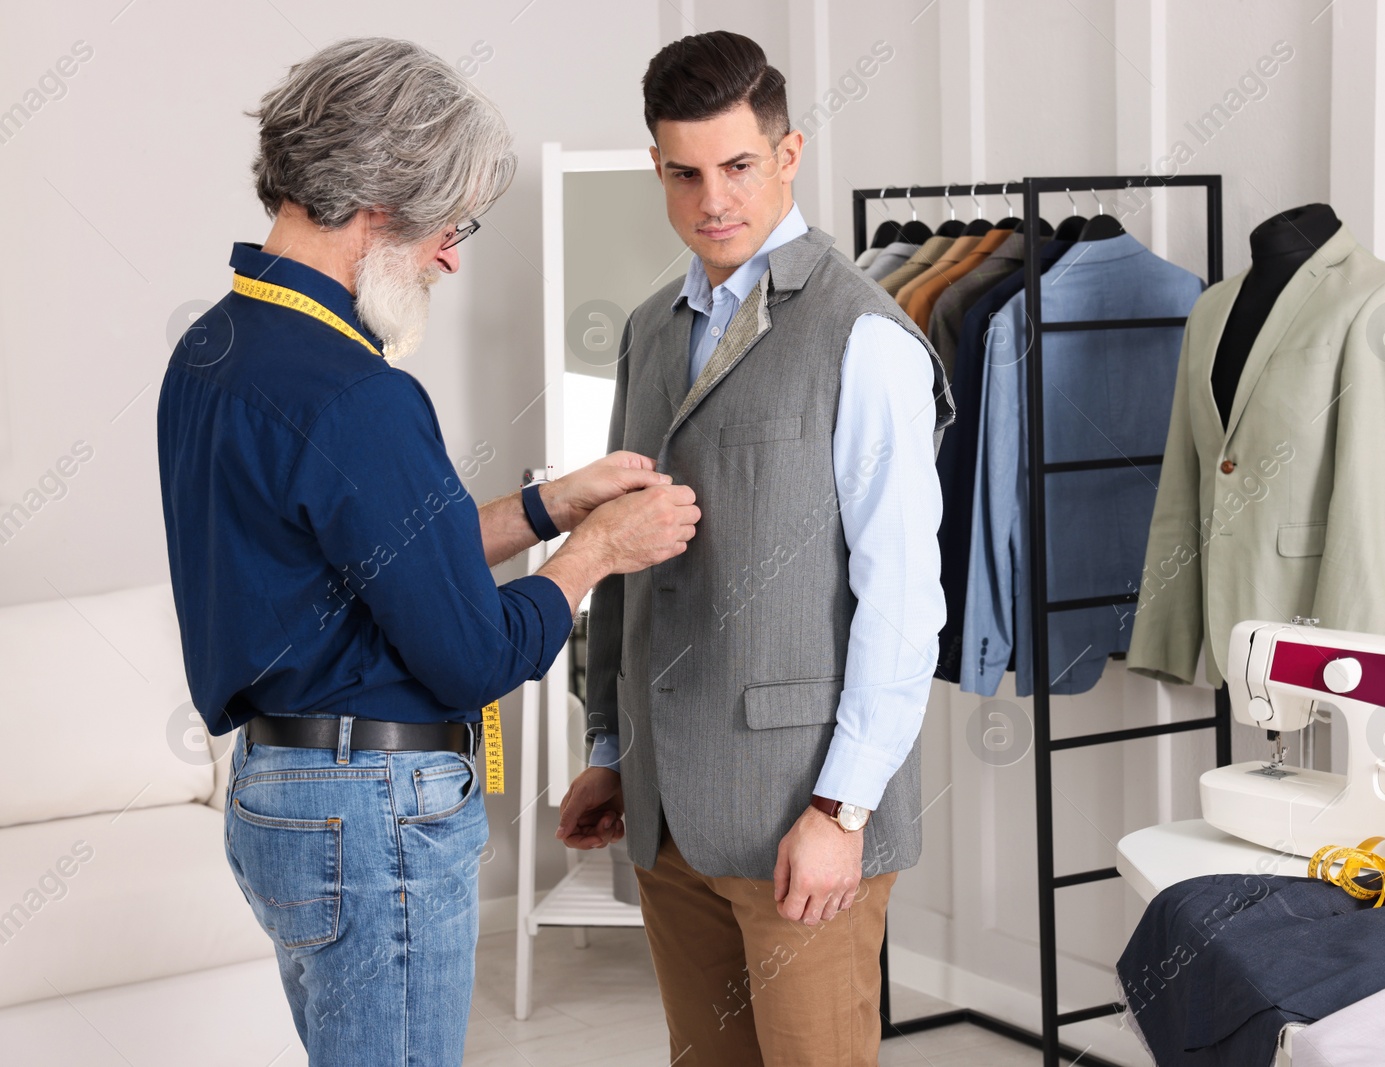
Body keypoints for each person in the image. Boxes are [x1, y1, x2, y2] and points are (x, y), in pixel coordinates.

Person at [155, 37, 699, 1067]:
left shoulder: (215, 348)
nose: (453, 255)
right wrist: (593, 554)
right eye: (453, 225)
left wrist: (546, 505)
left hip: (281, 795)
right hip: (372, 820)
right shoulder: (355, 392)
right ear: (378, 205)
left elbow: (371, 564)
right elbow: (470, 655)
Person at [557, 31, 954, 1067]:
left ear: (788, 153)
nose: (712, 199)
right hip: (664, 814)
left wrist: (841, 806)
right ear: (657, 169)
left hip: (801, 814)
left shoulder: (862, 337)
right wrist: (608, 749)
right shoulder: (648, 328)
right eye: (683, 172)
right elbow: (618, 558)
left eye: (737, 165)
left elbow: (903, 598)